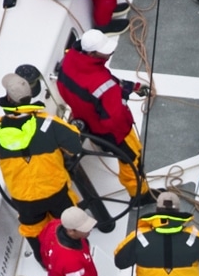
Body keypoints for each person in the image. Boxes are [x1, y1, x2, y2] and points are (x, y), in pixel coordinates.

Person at [0, 71, 82, 262]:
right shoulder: (49, 123)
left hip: (25, 200)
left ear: (9, 98)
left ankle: (45, 261)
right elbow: (75, 145)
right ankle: (75, 258)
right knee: (69, 222)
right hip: (56, 192)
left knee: (33, 230)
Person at [56, 29, 152, 205]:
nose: (110, 53)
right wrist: (122, 97)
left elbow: (95, 83)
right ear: (92, 53)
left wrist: (132, 86)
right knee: (132, 158)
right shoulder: (102, 84)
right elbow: (113, 119)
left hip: (86, 120)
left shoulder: (70, 59)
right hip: (113, 133)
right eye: (105, 51)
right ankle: (140, 196)